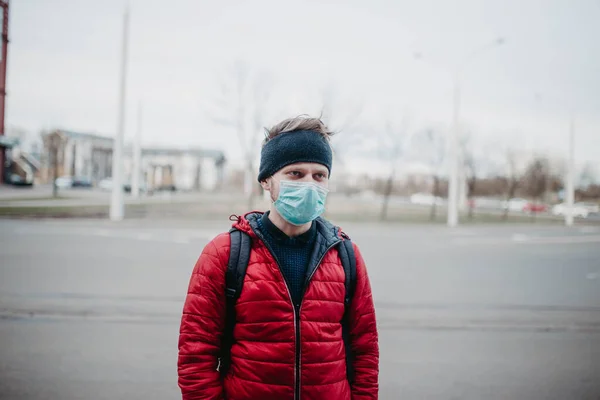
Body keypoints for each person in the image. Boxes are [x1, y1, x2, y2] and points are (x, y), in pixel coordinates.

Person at [178, 115, 379, 399]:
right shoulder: (225, 254)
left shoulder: (346, 256)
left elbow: (365, 352)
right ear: (266, 181)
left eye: (319, 175)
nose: (310, 184)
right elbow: (195, 355)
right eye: (295, 174)